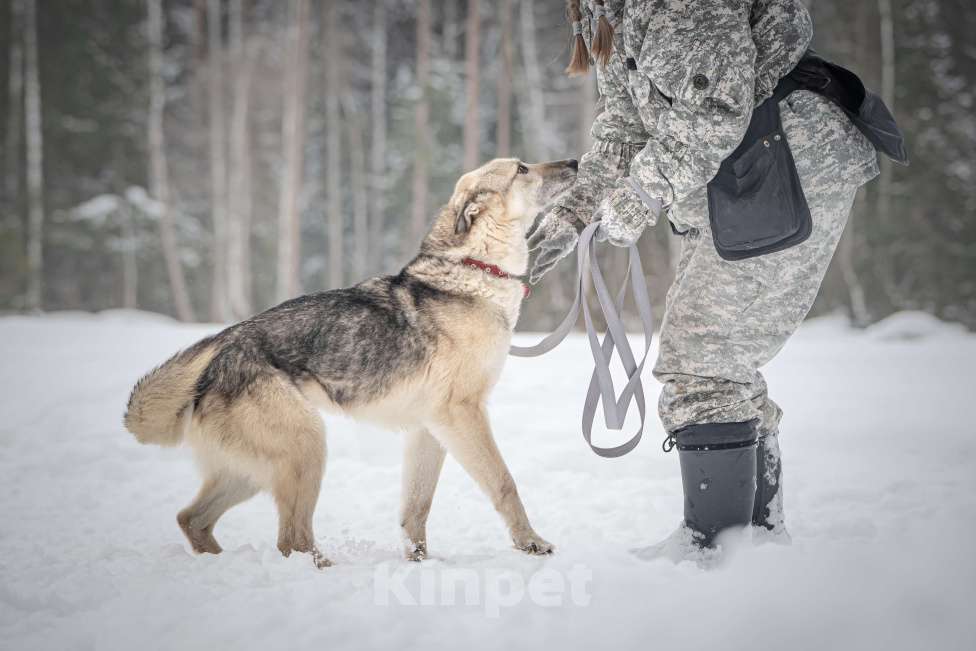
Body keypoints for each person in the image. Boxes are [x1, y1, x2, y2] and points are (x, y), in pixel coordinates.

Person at [527, 0, 886, 549]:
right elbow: (625, 125)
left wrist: (644, 193)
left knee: (704, 359)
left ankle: (718, 549)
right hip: (736, 174)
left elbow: (712, 107)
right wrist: (575, 213)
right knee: (718, 361)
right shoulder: (606, 9)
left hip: (787, 160)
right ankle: (756, 543)